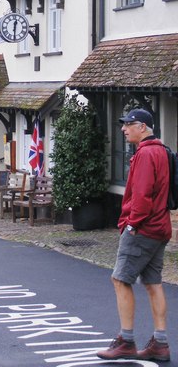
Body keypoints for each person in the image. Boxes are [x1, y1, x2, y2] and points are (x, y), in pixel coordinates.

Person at [97, 108, 171, 362]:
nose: (123, 129)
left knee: (120, 280)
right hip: (160, 226)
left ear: (143, 127)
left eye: (129, 124)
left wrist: (131, 225)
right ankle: (160, 343)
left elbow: (141, 196)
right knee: (153, 283)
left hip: (143, 228)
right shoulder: (161, 150)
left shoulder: (146, 154)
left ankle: (126, 340)